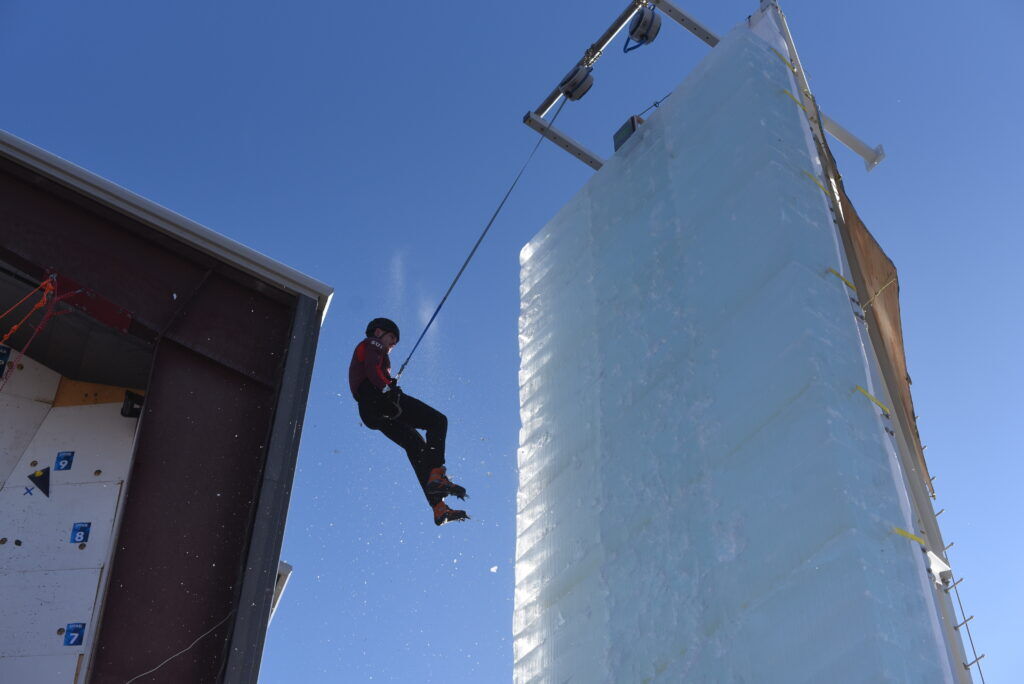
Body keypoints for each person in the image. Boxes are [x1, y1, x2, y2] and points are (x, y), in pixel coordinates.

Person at [349, 317, 469, 526]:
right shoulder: (372, 343)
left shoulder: (376, 352)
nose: (392, 344)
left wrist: (386, 384)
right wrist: (387, 388)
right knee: (437, 421)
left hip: (370, 411)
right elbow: (371, 366)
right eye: (391, 338)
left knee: (415, 446)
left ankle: (438, 506)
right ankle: (437, 474)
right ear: (378, 332)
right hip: (380, 399)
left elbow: (371, 371)